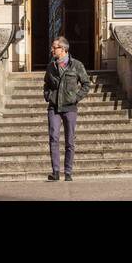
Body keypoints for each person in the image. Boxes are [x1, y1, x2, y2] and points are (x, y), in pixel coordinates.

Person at [43, 35, 90, 181]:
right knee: (53, 138)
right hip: (54, 107)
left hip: (70, 107)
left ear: (63, 49)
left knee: (69, 141)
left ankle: (68, 172)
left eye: (54, 47)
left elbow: (86, 84)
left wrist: (75, 98)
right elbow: (46, 84)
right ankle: (56, 171)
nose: (52, 50)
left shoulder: (76, 65)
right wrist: (48, 95)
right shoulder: (51, 67)